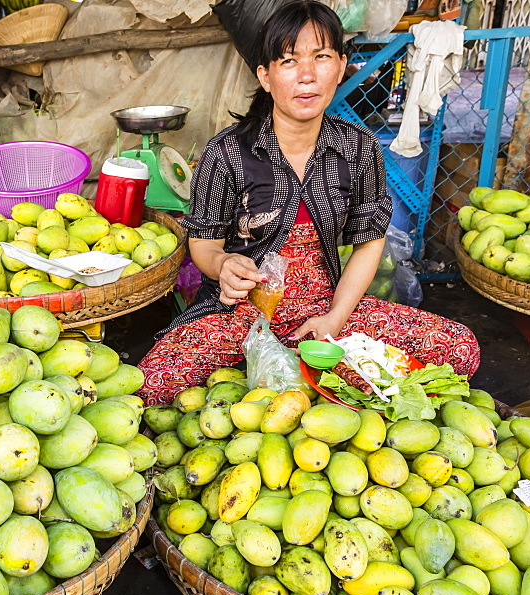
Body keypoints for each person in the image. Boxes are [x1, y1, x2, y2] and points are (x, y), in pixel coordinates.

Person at [137, 0, 479, 406]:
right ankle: (302, 370)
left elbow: (370, 241)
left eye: (321, 57)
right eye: (288, 60)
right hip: (239, 315)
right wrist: (224, 265)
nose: (306, 75)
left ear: (340, 67)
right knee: (151, 385)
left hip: (325, 309)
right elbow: (205, 243)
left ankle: (312, 366)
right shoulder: (228, 151)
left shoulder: (358, 148)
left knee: (459, 348)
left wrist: (335, 320)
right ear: (265, 76)